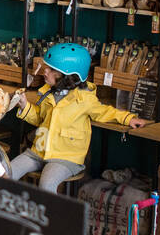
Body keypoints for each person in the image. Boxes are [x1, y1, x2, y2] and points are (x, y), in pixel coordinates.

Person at [8, 43, 149, 192]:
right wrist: (25, 105)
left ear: (66, 75)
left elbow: (105, 112)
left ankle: (52, 215)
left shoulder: (84, 99)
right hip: (39, 151)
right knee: (5, 173)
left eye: (51, 69)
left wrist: (128, 118)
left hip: (66, 157)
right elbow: (40, 118)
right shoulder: (47, 93)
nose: (45, 71)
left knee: (46, 185)